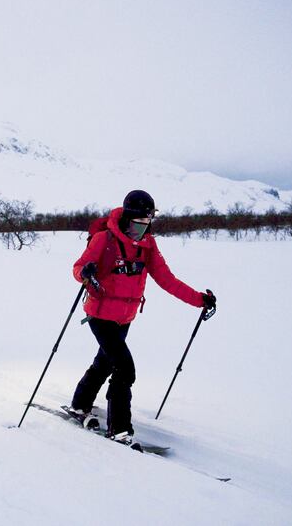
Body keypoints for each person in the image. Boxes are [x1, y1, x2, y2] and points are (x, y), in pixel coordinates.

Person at [69, 190, 216, 444]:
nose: (143, 230)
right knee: (125, 369)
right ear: (127, 219)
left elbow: (167, 280)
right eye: (138, 224)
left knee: (104, 363)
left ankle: (80, 405)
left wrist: (199, 299)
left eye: (147, 224)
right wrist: (86, 272)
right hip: (100, 315)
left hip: (125, 318)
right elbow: (78, 268)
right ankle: (119, 428)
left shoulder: (148, 245)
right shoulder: (104, 239)